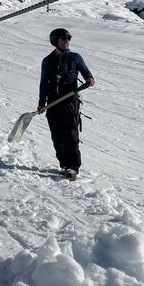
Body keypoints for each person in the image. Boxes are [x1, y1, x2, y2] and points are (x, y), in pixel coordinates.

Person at [37, 28, 95, 180]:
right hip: (53, 102)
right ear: (55, 41)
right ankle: (64, 165)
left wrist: (89, 79)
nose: (67, 41)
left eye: (68, 38)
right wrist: (41, 102)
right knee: (57, 136)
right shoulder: (47, 61)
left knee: (71, 135)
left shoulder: (75, 58)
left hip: (70, 101)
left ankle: (73, 167)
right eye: (63, 39)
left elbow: (86, 72)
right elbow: (43, 83)